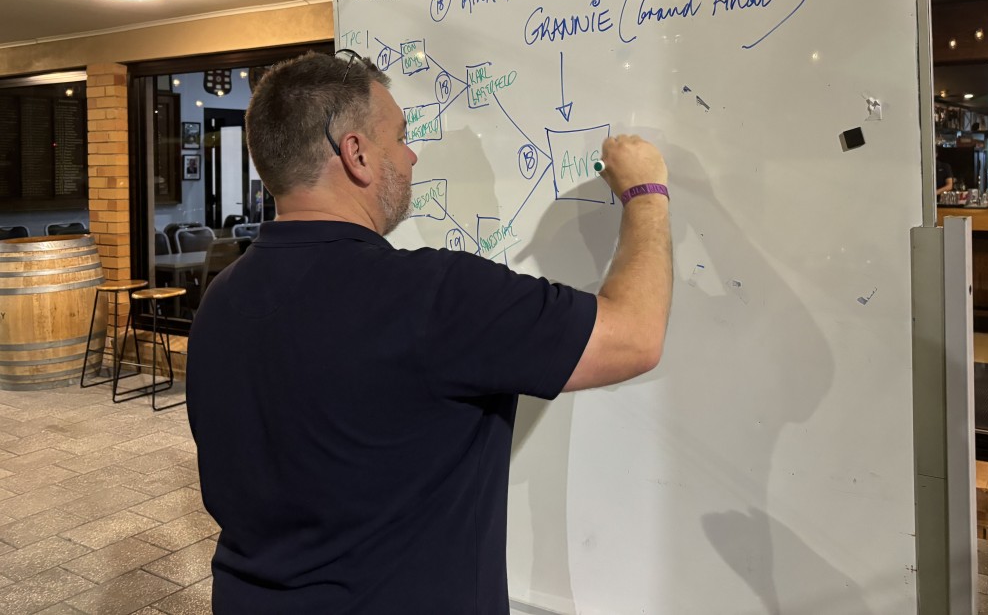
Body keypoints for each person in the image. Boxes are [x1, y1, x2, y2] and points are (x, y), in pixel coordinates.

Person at [186, 49, 673, 614]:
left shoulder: (219, 300)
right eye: (400, 137)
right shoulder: (434, 296)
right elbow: (634, 335)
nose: (412, 154)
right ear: (356, 154)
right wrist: (646, 193)